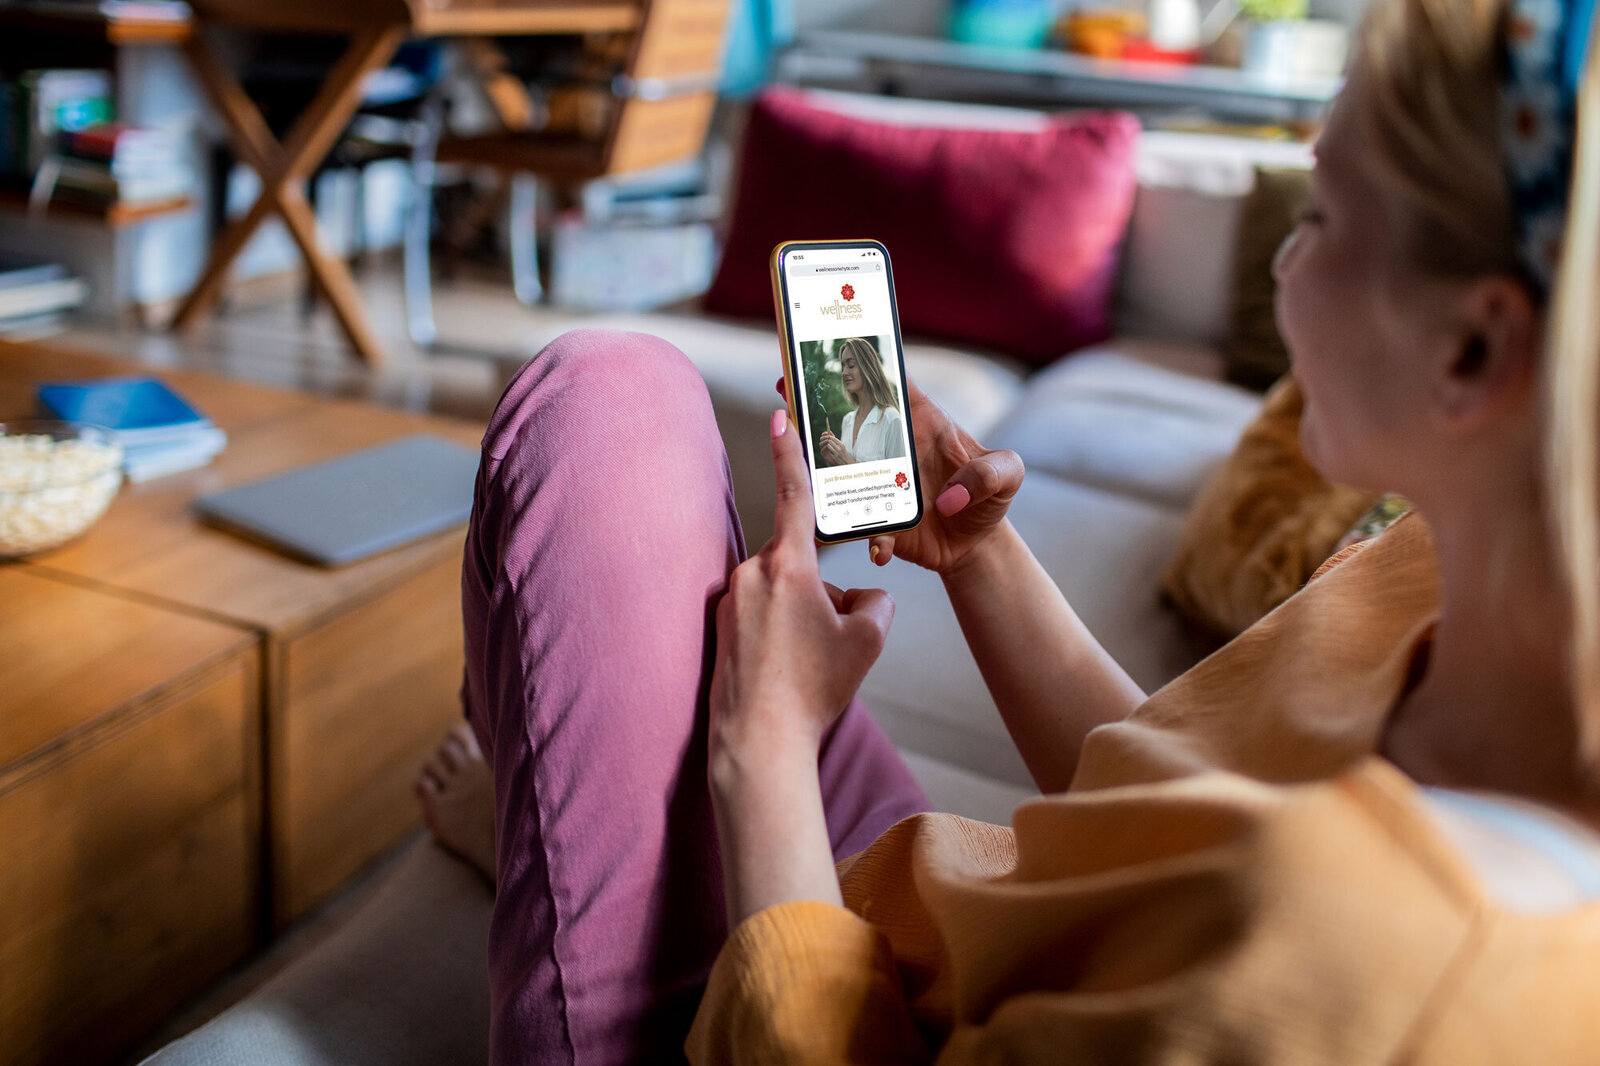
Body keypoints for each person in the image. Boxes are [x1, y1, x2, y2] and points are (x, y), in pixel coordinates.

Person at [420, 0, 1600, 1059]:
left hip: (829, 1013)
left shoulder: (1369, 964)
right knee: (648, 463)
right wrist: (980, 556)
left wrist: (765, 751)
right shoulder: (1442, 568)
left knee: (600, 395)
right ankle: (575, 844)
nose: (1283, 270)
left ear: (1474, 349)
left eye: (1323, 217)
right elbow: (1170, 802)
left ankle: (560, 868)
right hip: (950, 905)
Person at [817, 337, 907, 466]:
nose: (844, 372)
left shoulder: (892, 419)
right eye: (843, 366)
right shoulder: (847, 420)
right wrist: (834, 460)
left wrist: (847, 461)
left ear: (868, 367)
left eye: (851, 365)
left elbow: (900, 482)